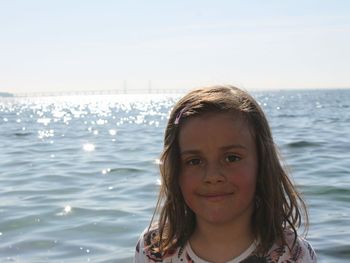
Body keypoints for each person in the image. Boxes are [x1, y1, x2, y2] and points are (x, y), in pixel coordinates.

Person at [134, 85, 317, 263]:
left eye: (231, 158)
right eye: (194, 161)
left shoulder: (293, 254)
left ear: (262, 163)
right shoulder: (154, 249)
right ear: (175, 171)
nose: (213, 176)